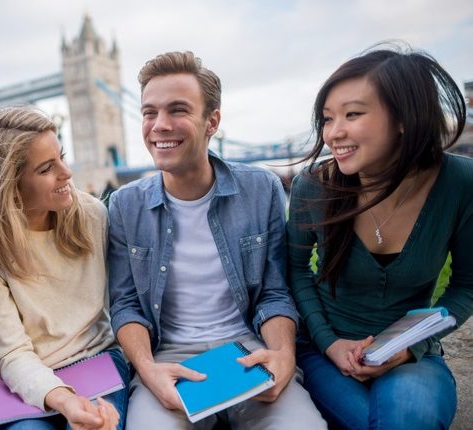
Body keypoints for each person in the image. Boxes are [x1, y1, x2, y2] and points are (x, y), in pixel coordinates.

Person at [108, 51, 326, 429]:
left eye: (177, 110)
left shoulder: (262, 189)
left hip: (248, 350)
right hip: (169, 360)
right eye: (148, 112)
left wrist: (283, 356)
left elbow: (275, 292)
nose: (159, 125)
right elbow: (126, 305)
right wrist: (146, 370)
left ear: (212, 122)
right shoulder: (125, 205)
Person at [287, 45, 471, 429]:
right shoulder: (314, 186)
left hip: (411, 355)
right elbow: (296, 271)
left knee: (409, 418)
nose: (334, 133)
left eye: (352, 114)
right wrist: (329, 342)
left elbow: (467, 285)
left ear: (404, 117)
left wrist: (411, 347)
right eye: (327, 118)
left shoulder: (460, 184)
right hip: (325, 350)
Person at [0, 106, 128, 430]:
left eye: (63, 156)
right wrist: (63, 397)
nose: (66, 173)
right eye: (47, 168)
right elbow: (10, 353)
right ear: (9, 185)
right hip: (23, 377)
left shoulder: (91, 216)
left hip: (97, 360)